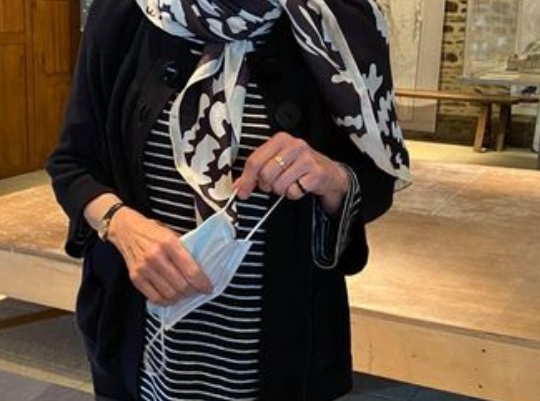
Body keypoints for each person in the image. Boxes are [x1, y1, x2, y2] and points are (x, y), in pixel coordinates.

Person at [46, 0, 411, 400]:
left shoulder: (343, 20)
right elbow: (73, 163)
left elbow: (376, 180)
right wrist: (121, 225)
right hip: (143, 340)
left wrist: (332, 176)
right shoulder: (125, 13)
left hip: (286, 343)